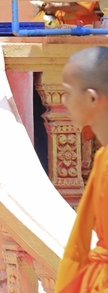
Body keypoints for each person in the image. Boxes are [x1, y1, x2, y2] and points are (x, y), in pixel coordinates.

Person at [57, 46, 108, 292]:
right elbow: (80, 241)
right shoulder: (102, 158)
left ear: (91, 98)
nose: (64, 102)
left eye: (67, 93)